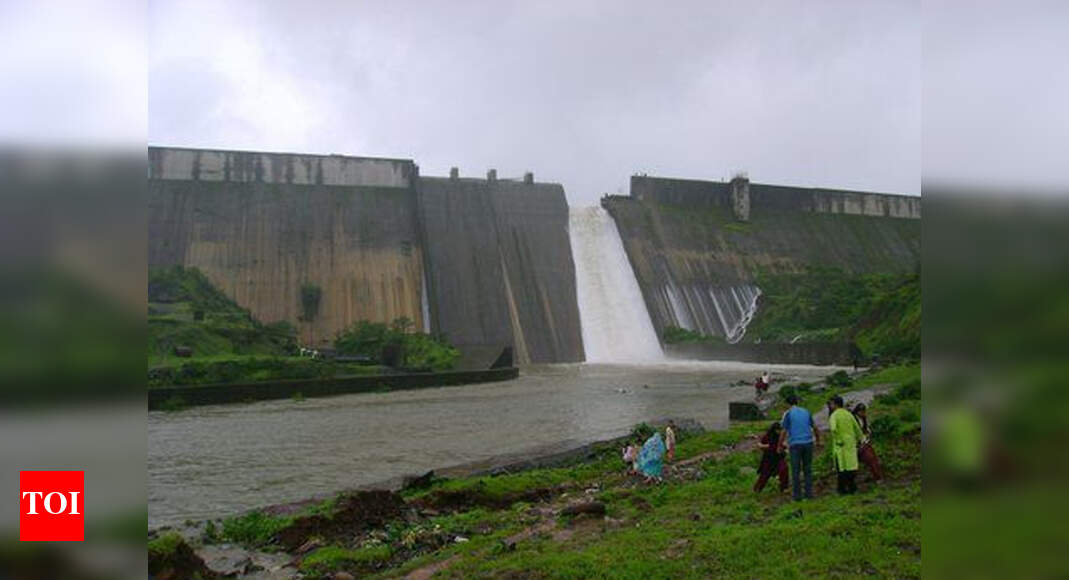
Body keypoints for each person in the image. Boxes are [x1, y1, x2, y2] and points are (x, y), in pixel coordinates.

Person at [778, 394, 819, 501]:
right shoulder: (806, 411)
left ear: (787, 404)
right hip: (808, 443)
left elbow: (783, 431)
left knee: (795, 471)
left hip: (795, 444)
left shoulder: (788, 414)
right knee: (807, 470)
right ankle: (809, 494)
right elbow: (815, 428)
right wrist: (818, 441)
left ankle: (797, 496)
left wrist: (779, 445)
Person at [829, 396, 864, 494]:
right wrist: (861, 439)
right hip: (851, 444)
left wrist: (838, 439)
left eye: (831, 404)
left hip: (841, 446)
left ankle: (842, 490)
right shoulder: (848, 414)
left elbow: (833, 428)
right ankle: (853, 488)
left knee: (841, 469)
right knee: (852, 467)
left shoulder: (834, 415)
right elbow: (857, 428)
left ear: (835, 404)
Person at [754, 422, 789, 493]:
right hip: (769, 459)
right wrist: (768, 446)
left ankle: (784, 488)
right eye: (778, 430)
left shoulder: (780, 436)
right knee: (764, 475)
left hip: (779, 458)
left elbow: (784, 444)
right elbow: (761, 445)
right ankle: (757, 490)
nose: (779, 432)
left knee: (784, 470)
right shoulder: (767, 436)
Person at [852, 404, 884, 481]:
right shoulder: (853, 419)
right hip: (857, 444)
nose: (863, 413)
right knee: (870, 459)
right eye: (861, 412)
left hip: (864, 442)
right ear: (857, 411)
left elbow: (866, 429)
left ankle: (877, 476)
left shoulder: (863, 418)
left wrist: (867, 434)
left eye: (864, 412)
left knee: (873, 459)